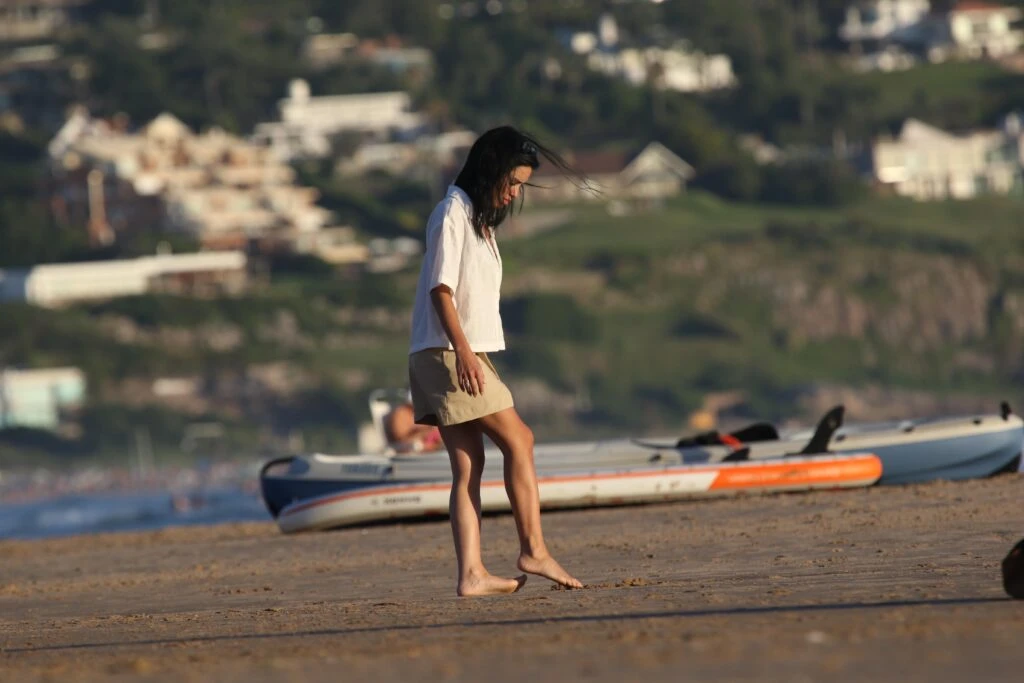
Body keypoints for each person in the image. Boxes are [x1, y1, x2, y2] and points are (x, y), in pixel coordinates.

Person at [408, 125, 587, 597]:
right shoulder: (452, 213)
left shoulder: (476, 220)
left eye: (520, 186)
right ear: (489, 171)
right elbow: (440, 289)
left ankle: (471, 574)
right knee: (520, 439)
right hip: (449, 351)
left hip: (447, 350)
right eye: (511, 182)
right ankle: (533, 549)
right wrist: (465, 352)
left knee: (469, 466)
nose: (513, 193)